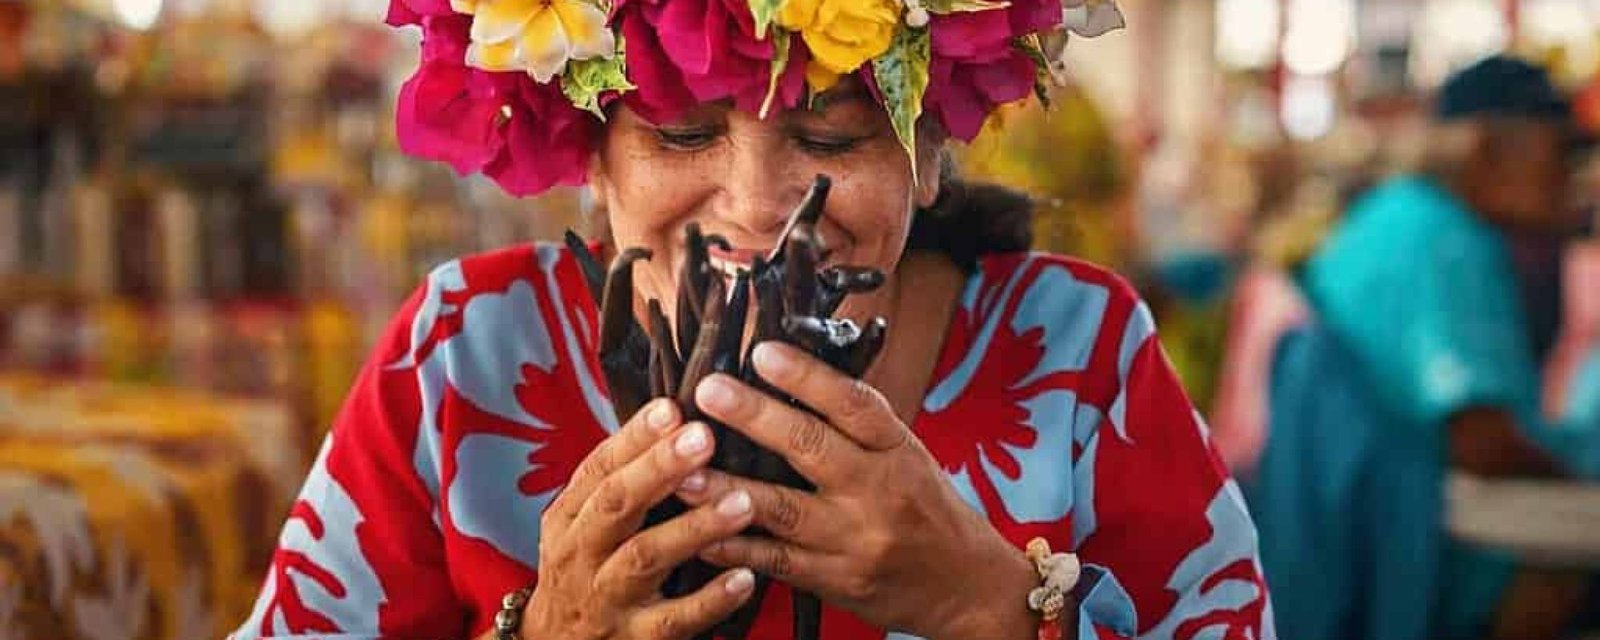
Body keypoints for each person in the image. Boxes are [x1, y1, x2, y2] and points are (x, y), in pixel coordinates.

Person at [231, 1, 1274, 638]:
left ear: (926, 152)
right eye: (681, 135)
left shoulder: (1075, 352)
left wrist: (992, 609)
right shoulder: (463, 353)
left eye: (831, 136)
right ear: (590, 152)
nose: (759, 210)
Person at [1246, 56, 1600, 640]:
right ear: (1486, 149)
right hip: (1410, 558)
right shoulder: (1441, 241)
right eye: (1562, 153)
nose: (1573, 176)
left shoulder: (1401, 217)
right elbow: (1481, 441)